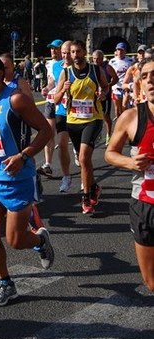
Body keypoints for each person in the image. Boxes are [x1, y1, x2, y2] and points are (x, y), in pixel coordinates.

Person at [0, 54, 54, 306]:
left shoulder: (16, 99)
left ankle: (40, 240)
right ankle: (6, 283)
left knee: (16, 241)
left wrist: (23, 155)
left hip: (18, 179)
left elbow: (46, 130)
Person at [105, 57, 154, 339]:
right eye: (146, 76)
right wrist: (128, 161)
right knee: (152, 284)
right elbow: (110, 152)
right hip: (146, 208)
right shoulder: (132, 117)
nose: (151, 80)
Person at [55, 39, 109, 215]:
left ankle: (86, 197)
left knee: (84, 157)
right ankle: (93, 187)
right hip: (73, 121)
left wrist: (102, 93)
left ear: (84, 52)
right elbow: (55, 99)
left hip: (93, 118)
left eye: (78, 51)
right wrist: (63, 89)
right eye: (72, 52)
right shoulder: (66, 72)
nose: (75, 55)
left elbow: (106, 87)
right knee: (83, 161)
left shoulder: (95, 69)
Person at [38, 39, 64, 177]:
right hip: (51, 101)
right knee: (49, 132)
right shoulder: (49, 64)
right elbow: (51, 81)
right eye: (51, 48)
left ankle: (78, 152)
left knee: (65, 134)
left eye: (56, 48)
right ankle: (48, 164)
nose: (53, 51)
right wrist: (46, 88)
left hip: (64, 102)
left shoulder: (67, 64)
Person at [51, 41, 73, 193]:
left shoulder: (85, 67)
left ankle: (87, 182)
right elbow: (54, 85)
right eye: (63, 53)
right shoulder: (56, 66)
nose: (65, 56)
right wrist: (48, 88)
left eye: (68, 53)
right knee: (63, 143)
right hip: (62, 111)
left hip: (80, 113)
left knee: (81, 150)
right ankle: (66, 176)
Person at [92, 49, 119, 146]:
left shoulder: (107, 67)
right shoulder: (91, 68)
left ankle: (108, 134)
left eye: (98, 59)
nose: (96, 61)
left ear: (102, 58)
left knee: (106, 115)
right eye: (94, 59)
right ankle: (97, 134)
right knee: (95, 115)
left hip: (106, 94)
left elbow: (116, 78)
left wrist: (108, 85)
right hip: (95, 95)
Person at [109, 42, 135, 119]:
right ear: (116, 51)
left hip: (126, 87)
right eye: (118, 50)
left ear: (125, 51)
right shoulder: (112, 61)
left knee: (124, 107)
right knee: (117, 109)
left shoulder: (130, 60)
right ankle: (118, 122)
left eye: (122, 50)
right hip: (116, 87)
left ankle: (125, 123)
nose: (120, 52)